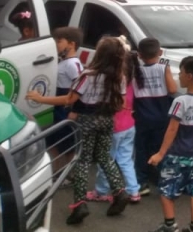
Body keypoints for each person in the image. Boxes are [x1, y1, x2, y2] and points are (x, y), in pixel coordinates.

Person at [28, 36, 131, 225]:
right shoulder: (119, 77)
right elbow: (122, 103)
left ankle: (80, 204)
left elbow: (69, 99)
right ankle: (120, 192)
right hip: (106, 120)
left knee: (82, 160)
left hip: (86, 121)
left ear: (99, 53)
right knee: (105, 157)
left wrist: (40, 99)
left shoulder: (88, 75)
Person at [147, 56, 193, 232]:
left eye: (182, 72)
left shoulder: (180, 102)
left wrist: (160, 153)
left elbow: (172, 130)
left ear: (190, 76)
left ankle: (170, 225)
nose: (179, 75)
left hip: (178, 154)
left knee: (166, 190)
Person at [88, 46, 142, 203]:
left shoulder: (114, 83)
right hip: (129, 125)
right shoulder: (133, 83)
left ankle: (101, 191)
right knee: (126, 160)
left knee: (106, 160)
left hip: (113, 127)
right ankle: (134, 191)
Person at [134, 38, 179, 196]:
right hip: (161, 115)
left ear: (139, 55)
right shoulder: (163, 67)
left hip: (141, 115)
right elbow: (173, 89)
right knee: (160, 149)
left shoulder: (134, 70)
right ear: (160, 52)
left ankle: (141, 183)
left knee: (140, 150)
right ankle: (166, 182)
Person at [45, 27, 84, 186]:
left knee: (67, 142)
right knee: (53, 140)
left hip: (65, 108)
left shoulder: (72, 64)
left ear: (72, 44)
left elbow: (80, 86)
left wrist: (75, 110)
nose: (56, 44)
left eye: (60, 41)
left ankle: (68, 174)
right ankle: (56, 171)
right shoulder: (63, 62)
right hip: (57, 106)